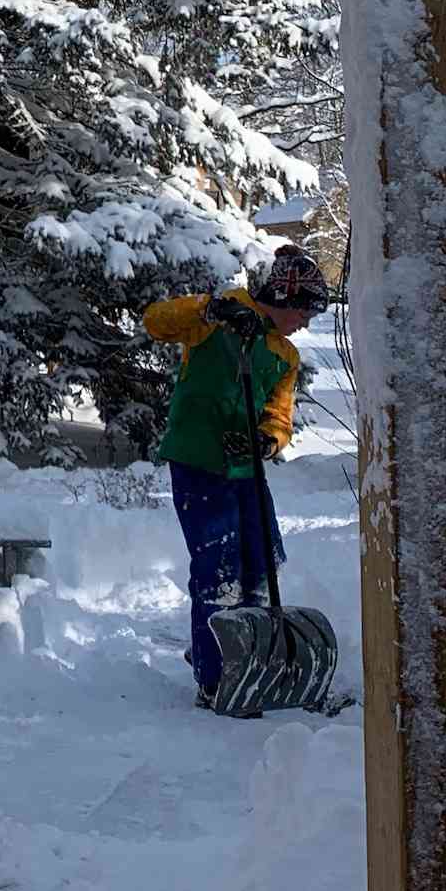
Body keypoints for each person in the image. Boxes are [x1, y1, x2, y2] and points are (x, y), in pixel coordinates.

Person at [142, 246, 329, 712]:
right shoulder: (212, 321)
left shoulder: (283, 355)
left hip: (247, 470)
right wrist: (209, 307)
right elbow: (155, 320)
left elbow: (279, 416)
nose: (305, 322)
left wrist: (267, 440)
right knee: (217, 572)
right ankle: (214, 674)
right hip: (198, 463)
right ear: (281, 297)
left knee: (260, 564)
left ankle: (256, 661)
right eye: (303, 310)